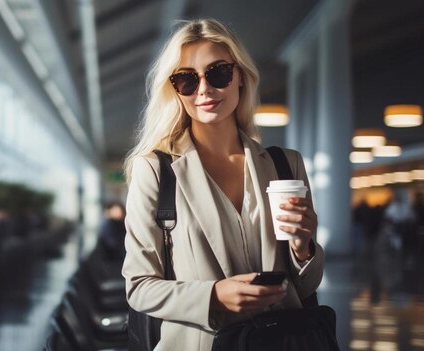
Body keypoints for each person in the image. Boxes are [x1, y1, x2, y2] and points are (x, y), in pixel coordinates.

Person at [122, 19, 324, 350]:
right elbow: (139, 287)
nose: (203, 89)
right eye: (186, 79)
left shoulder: (286, 164)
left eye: (218, 73)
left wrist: (304, 249)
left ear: (240, 75)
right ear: (174, 89)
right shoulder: (155, 170)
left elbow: (305, 288)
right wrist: (214, 295)